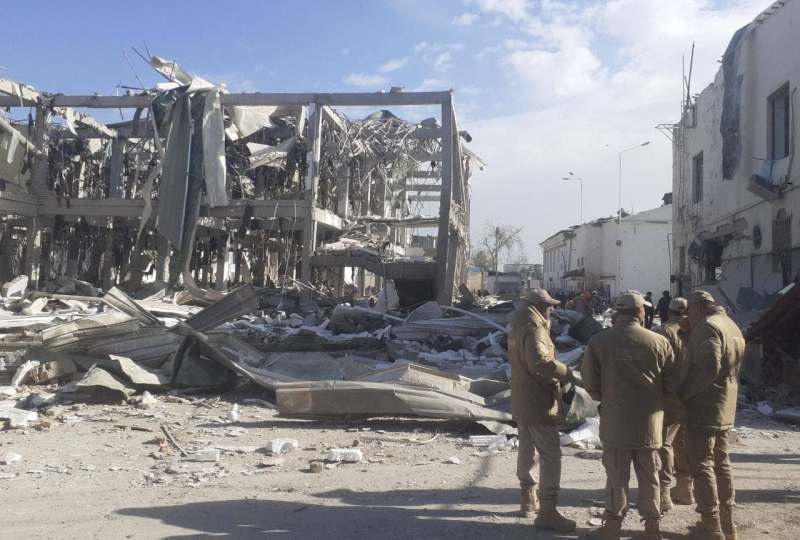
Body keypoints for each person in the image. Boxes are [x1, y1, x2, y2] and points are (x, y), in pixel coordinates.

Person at [582, 291, 674, 540]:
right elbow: (671, 383)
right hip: (649, 423)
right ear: (641, 312)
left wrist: (607, 396)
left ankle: (612, 527)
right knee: (650, 476)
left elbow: (589, 382)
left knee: (616, 477)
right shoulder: (659, 341)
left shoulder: (599, 341)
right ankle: (652, 528)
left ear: (616, 312)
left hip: (616, 421)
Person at [508, 289, 577, 532]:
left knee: (527, 450)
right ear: (539, 306)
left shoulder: (517, 326)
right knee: (550, 455)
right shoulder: (535, 329)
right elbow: (541, 363)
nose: (552, 310)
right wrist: (567, 373)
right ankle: (548, 510)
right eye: (549, 306)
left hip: (522, 399)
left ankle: (528, 500)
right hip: (539, 401)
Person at [680, 290, 746, 540]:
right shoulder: (731, 324)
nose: (688, 317)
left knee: (702, 464)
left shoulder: (707, 327)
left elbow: (708, 368)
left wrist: (684, 394)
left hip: (705, 407)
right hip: (725, 405)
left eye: (689, 311)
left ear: (697, 307)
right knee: (721, 463)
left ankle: (711, 526)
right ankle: (728, 525)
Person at [654, 297, 690, 513]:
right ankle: (685, 488)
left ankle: (664, 493)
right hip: (691, 395)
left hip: (668, 396)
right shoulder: (696, 331)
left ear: (669, 312)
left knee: (664, 443)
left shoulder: (663, 332)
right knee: (683, 442)